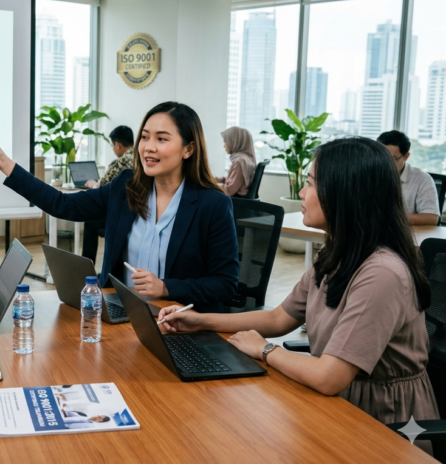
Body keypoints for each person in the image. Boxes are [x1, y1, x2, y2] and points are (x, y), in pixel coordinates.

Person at [160, 137, 439, 433]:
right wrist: (200, 321)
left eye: (310, 183)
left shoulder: (382, 273)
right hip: (333, 401)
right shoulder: (335, 254)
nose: (303, 193)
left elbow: (329, 377)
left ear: (344, 193)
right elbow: (278, 318)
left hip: (382, 420)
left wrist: (266, 350)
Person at [0, 101, 238, 312]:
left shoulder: (213, 204)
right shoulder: (126, 186)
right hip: (123, 313)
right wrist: (5, 164)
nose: (148, 147)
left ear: (188, 149)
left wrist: (167, 288)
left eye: (162, 139)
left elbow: (225, 284)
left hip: (181, 322)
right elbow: (63, 205)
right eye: (145, 137)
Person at [82, 125, 134, 263]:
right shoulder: (141, 157)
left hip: (121, 216)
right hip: (137, 213)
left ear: (117, 145)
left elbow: (102, 189)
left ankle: (87, 268)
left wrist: (94, 184)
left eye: (112, 145)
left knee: (90, 221)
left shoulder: (120, 162)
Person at [377, 130, 440, 226]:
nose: (385, 163)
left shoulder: (422, 179)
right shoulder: (368, 174)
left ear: (406, 156)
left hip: (406, 233)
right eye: (381, 157)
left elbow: (431, 218)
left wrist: (390, 218)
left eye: (392, 159)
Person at [216, 126, 257, 197]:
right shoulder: (247, 159)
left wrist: (210, 186)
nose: (224, 145)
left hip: (235, 199)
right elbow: (234, 180)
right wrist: (214, 180)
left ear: (234, 142)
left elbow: (229, 190)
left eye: (225, 141)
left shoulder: (239, 162)